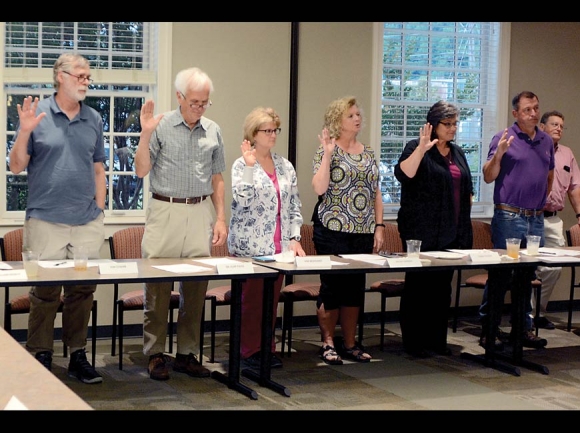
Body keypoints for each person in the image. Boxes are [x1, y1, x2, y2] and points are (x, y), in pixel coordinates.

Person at [9, 52, 106, 384]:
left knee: (82, 292)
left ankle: (77, 354)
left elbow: (98, 168)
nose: (85, 81)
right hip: (45, 221)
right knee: (45, 292)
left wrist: (100, 210)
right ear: (60, 76)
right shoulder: (37, 116)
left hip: (86, 223)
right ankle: (41, 354)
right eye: (80, 75)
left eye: (87, 76)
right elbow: (16, 166)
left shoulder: (94, 118)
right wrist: (23, 132)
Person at [135, 67, 227, 381]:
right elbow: (141, 171)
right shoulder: (160, 126)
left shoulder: (213, 129)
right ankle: (155, 353)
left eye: (205, 103)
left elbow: (217, 178)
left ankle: (187, 353)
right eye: (194, 102)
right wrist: (145, 133)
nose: (200, 108)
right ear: (179, 97)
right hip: (165, 210)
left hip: (199, 210)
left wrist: (221, 218)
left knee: (196, 289)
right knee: (158, 288)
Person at [394, 100, 474, 358]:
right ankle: (415, 343)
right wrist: (420, 149)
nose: (452, 129)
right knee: (419, 287)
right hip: (422, 232)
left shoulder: (457, 152)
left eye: (455, 124)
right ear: (433, 125)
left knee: (442, 289)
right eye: (447, 124)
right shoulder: (416, 148)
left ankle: (436, 340)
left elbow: (465, 188)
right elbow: (403, 174)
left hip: (452, 231)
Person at [228, 106, 306, 369]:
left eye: (275, 130)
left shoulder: (284, 165)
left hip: (279, 246)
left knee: (271, 301)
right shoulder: (241, 164)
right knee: (252, 302)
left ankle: (266, 349)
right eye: (268, 130)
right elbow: (242, 199)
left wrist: (294, 238)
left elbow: (294, 204)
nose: (273, 135)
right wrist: (250, 167)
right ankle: (248, 352)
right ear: (254, 133)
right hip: (250, 246)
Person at [479, 91, 554, 350]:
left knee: (527, 275)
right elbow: (488, 176)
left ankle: (522, 328)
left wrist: (540, 201)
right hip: (509, 216)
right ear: (515, 114)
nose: (533, 113)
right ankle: (489, 329)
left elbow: (549, 175)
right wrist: (499, 154)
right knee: (501, 276)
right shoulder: (503, 137)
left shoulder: (545, 141)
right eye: (527, 110)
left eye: (536, 108)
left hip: (535, 219)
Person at [311, 96, 382, 365]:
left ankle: (350, 343)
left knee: (354, 288)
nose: (357, 118)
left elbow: (376, 191)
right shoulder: (327, 149)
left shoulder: (369, 152)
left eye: (358, 114)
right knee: (333, 287)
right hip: (332, 229)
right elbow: (318, 188)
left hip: (362, 231)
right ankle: (327, 343)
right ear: (337, 120)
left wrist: (379, 226)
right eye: (350, 115)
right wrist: (328, 155)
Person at [534, 111, 580, 329]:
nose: (559, 128)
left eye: (562, 125)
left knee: (554, 268)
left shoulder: (567, 154)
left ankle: (536, 313)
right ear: (542, 127)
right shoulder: (532, 149)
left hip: (553, 219)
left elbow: (575, 187)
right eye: (554, 124)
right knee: (526, 268)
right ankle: (524, 315)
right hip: (530, 217)